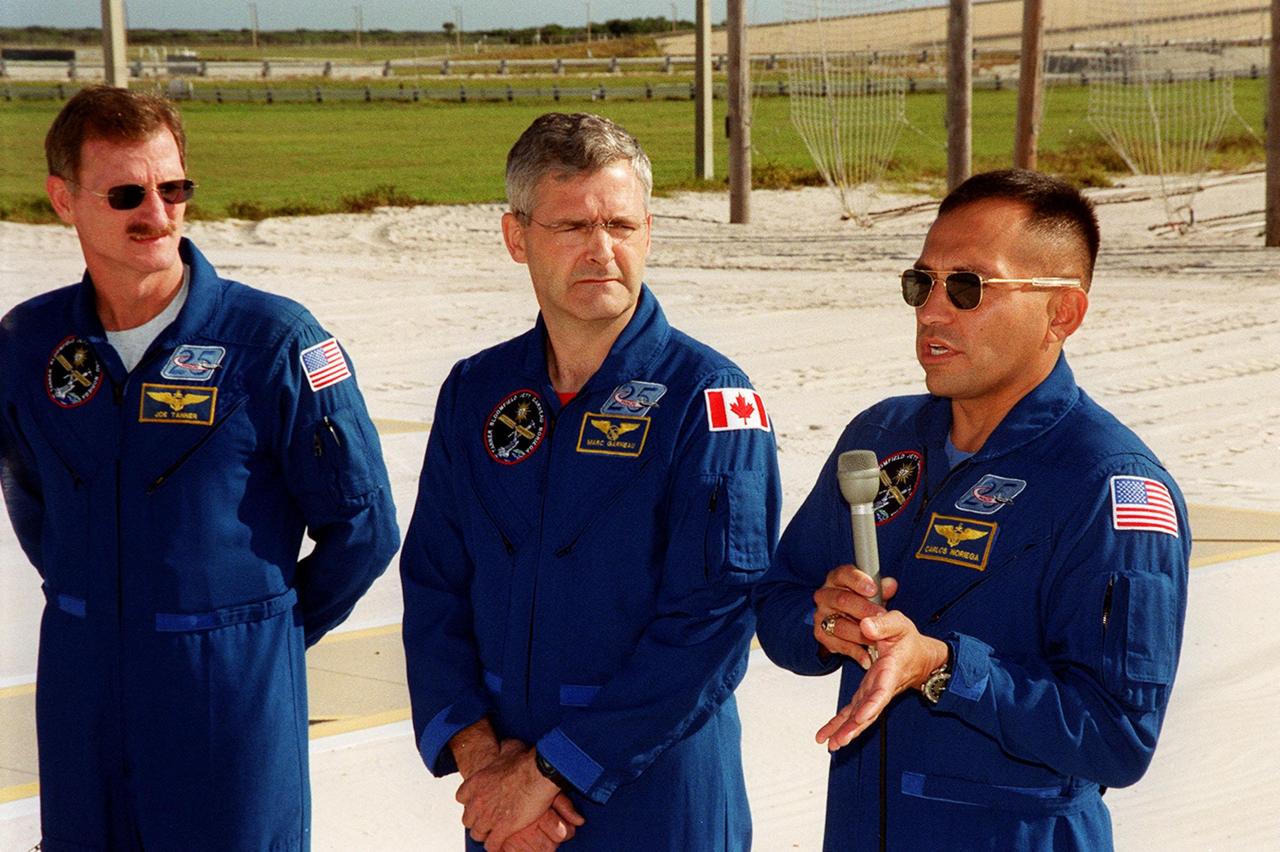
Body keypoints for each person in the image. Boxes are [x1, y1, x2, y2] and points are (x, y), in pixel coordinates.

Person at [0, 85, 399, 850]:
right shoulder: (29, 344)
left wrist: (257, 636)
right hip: (83, 691)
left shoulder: (276, 343)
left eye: (173, 188)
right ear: (63, 200)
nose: (157, 212)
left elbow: (364, 529)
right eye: (126, 194)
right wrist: (100, 604)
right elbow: (31, 496)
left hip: (224, 706)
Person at [753, 169, 1190, 850]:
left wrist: (943, 667)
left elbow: (1117, 738)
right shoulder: (881, 437)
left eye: (968, 288)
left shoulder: (1110, 486)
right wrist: (822, 621)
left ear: (1062, 313)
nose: (932, 311)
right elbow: (778, 600)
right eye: (920, 283)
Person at [400, 112, 781, 851]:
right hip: (506, 806)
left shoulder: (710, 399)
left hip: (655, 795)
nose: (601, 251)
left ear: (649, 232)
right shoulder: (476, 392)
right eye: (572, 227)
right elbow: (434, 587)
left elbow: (710, 623)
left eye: (621, 225)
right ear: (517, 238)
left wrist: (548, 774)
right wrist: (486, 768)